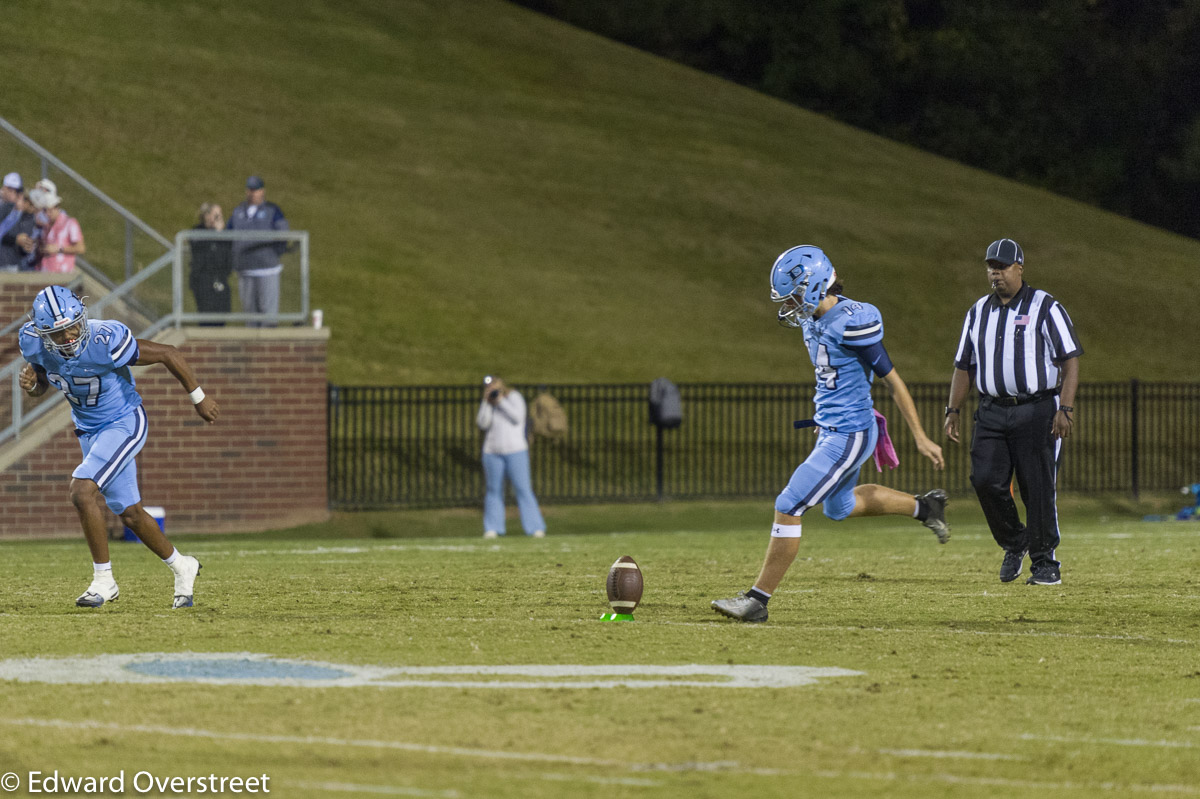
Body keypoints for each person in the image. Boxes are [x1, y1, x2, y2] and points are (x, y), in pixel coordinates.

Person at [712, 245, 949, 623]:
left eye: (792, 295)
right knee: (839, 508)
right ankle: (925, 507)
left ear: (814, 286)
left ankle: (757, 600)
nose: (788, 304)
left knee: (789, 503)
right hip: (831, 430)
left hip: (849, 433)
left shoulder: (853, 321)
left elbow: (893, 381)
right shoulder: (814, 316)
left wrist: (920, 436)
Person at [17, 285, 221, 608]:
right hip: (89, 431)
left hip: (124, 421)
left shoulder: (104, 341)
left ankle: (104, 581)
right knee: (130, 514)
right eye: (58, 333)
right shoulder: (33, 344)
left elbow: (168, 353)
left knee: (81, 491)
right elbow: (45, 380)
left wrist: (198, 397)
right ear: (43, 335)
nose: (69, 336)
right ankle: (184, 567)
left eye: (73, 326)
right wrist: (33, 387)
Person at [944, 238, 1082, 586]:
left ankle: (1045, 563)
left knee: (1036, 487)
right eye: (991, 267)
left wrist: (1064, 407)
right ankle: (1014, 540)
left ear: (1020, 268)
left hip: (1036, 409)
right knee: (984, 479)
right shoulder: (978, 312)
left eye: (1003, 267)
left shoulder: (1045, 306)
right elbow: (964, 365)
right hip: (991, 411)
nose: (996, 273)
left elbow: (1070, 360)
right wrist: (953, 409)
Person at [476, 375, 546, 539]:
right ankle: (493, 528)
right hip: (492, 451)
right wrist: (486, 402)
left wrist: (500, 400)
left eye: (494, 383)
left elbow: (517, 418)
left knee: (523, 489)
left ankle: (535, 527)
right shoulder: (488, 403)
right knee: (493, 490)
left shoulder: (514, 397)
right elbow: (482, 423)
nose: (492, 387)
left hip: (516, 450)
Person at [226, 175, 288, 327]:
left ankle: (269, 348)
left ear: (262, 191)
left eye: (256, 189)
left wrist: (275, 253)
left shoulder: (272, 210)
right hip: (245, 269)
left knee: (268, 314)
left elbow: (284, 233)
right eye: (250, 189)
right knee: (250, 314)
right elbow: (228, 234)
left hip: (267, 269)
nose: (252, 193)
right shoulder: (238, 211)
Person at [189, 202, 233, 325]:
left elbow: (228, 253)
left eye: (219, 216)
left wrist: (220, 234)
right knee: (206, 316)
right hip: (203, 281)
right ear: (206, 216)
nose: (217, 219)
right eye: (215, 215)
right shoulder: (197, 231)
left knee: (221, 316)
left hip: (221, 279)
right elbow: (200, 248)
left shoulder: (225, 234)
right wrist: (214, 233)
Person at [28, 179, 84, 274]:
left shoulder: (70, 223)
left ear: (57, 207)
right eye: (45, 210)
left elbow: (80, 248)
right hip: (45, 273)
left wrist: (58, 249)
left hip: (62, 275)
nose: (47, 214)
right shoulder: (46, 226)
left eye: (50, 210)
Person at [0, 173, 32, 271]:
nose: (13, 193)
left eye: (16, 191)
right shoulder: (8, 208)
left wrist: (25, 246)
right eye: (10, 189)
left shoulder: (21, 212)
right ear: (3, 188)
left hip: (10, 262)